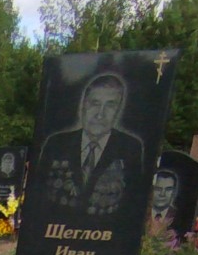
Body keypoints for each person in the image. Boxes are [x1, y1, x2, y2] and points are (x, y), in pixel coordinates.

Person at [35, 72, 148, 223]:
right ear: (83, 105)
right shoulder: (56, 143)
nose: (100, 114)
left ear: (118, 110)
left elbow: (131, 205)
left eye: (110, 106)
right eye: (95, 103)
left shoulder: (130, 148)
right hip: (57, 229)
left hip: (105, 231)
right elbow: (39, 197)